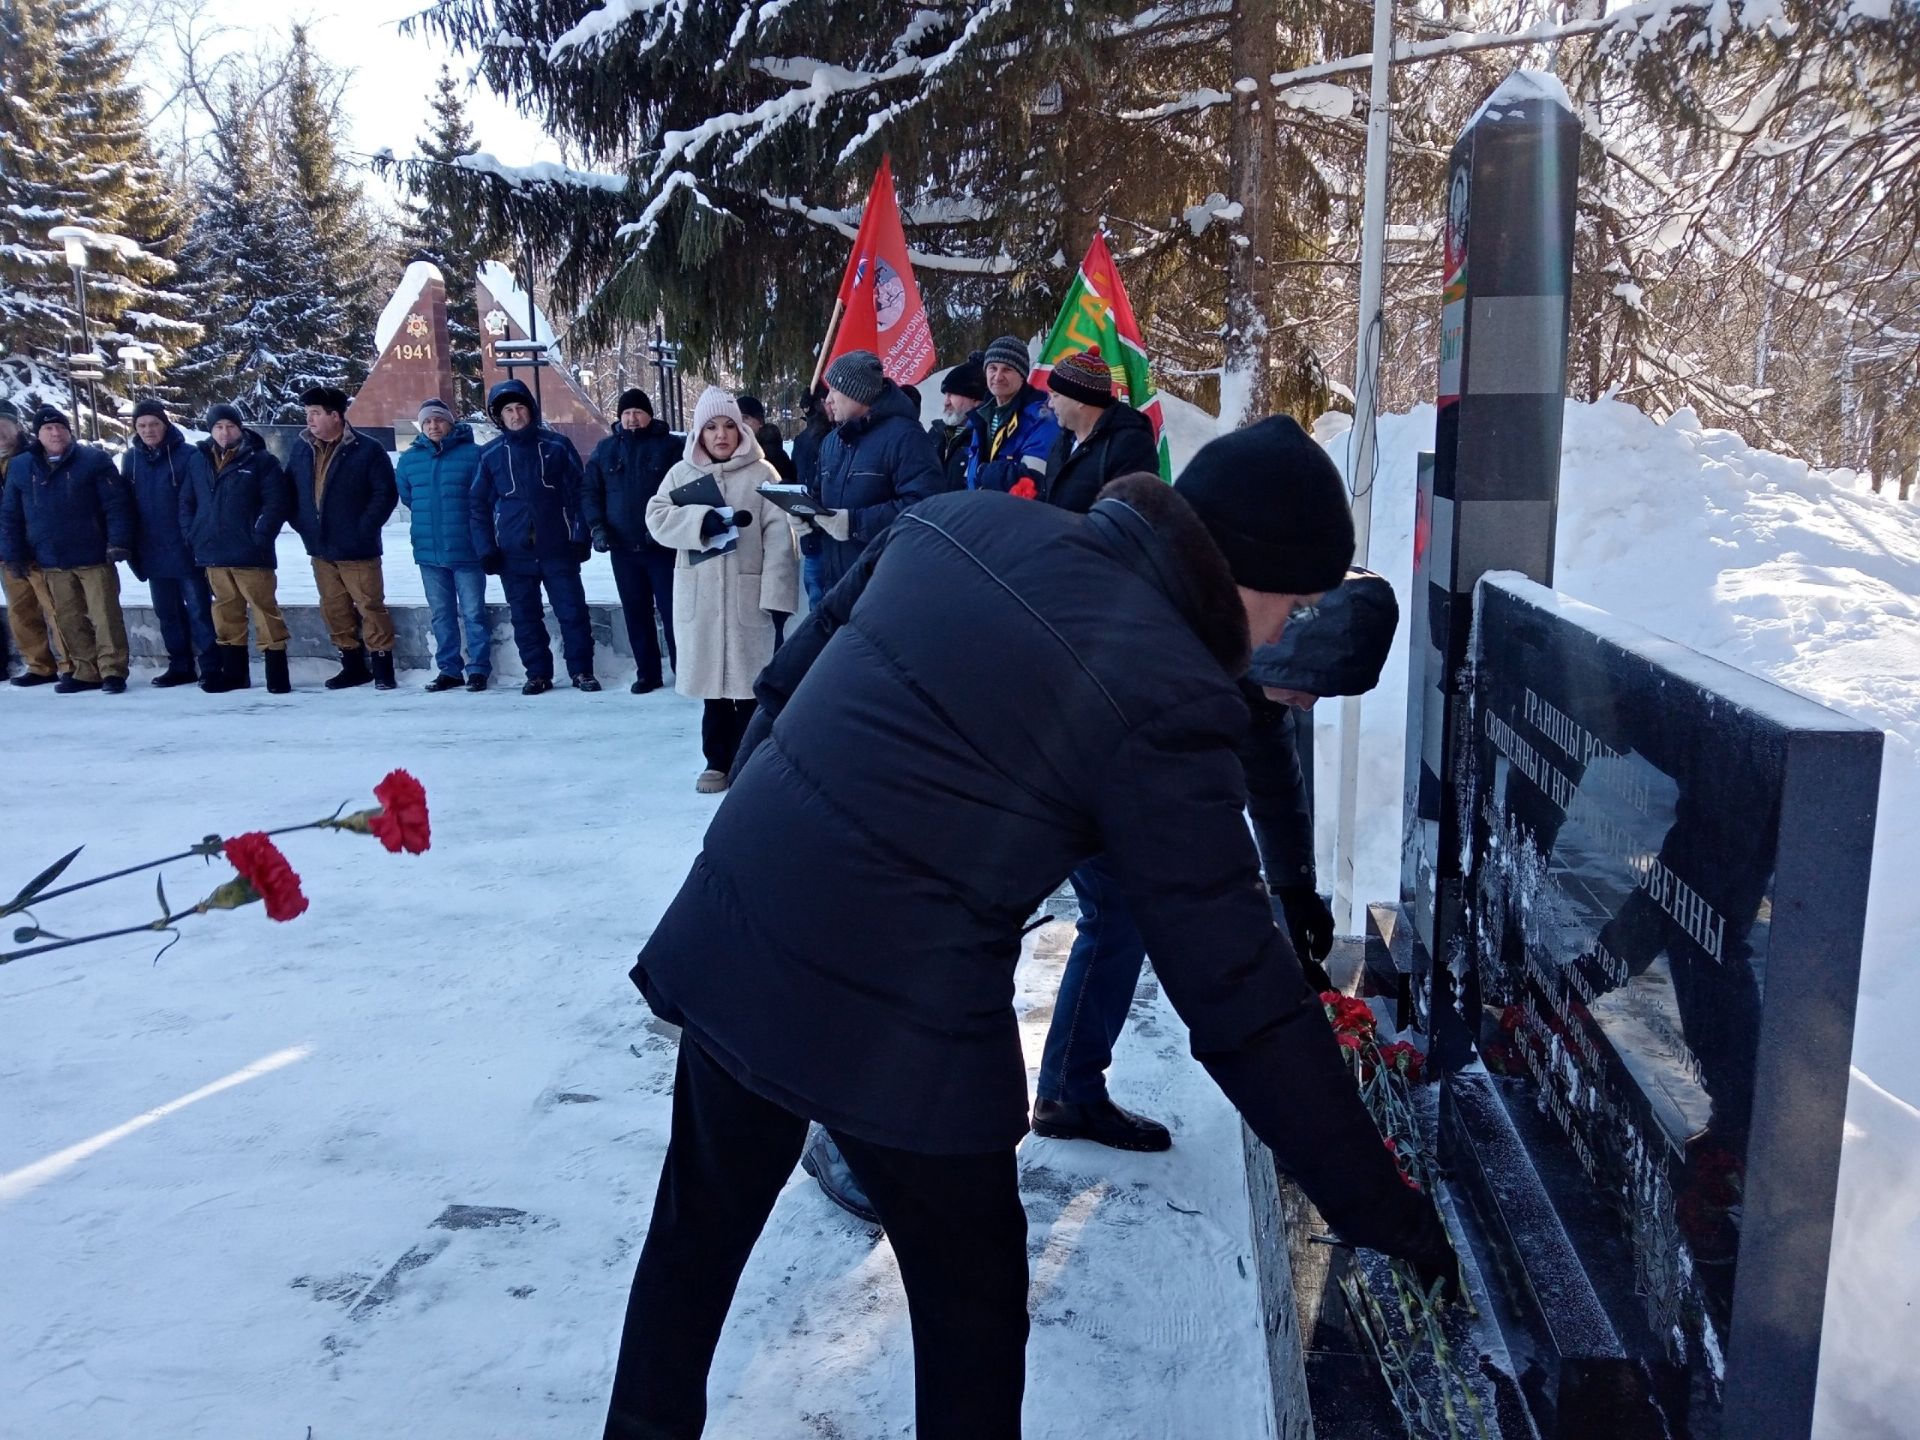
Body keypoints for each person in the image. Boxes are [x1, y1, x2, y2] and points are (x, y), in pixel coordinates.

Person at [602, 418, 1454, 1439]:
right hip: (899, 1012)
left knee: (693, 1241)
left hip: (738, 925)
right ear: (1243, 576)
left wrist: (777, 863)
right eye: (1296, 605)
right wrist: (1382, 1212)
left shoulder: (957, 524)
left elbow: (784, 692)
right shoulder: (1165, 695)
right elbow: (1240, 1002)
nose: (1287, 634)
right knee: (972, 1305)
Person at [1032, 564, 1401, 1153]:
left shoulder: (1252, 669)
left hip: (1093, 771)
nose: (1307, 705)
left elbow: (1274, 783)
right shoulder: (1184, 666)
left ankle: (1065, 1091)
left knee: (1120, 916)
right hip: (1052, 763)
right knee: (1079, 917)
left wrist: (1295, 887)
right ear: (1283, 651)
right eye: (1310, 685)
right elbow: (1197, 850)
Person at [643, 387, 797, 792]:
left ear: (743, 430)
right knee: (713, 690)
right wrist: (699, 522)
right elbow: (656, 516)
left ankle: (747, 761)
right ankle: (716, 761)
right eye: (711, 427)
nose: (721, 434)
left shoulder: (764, 474)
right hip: (703, 598)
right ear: (699, 433)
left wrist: (777, 596)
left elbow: (781, 536)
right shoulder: (681, 474)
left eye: (729, 425)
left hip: (749, 599)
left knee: (749, 690)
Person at [470, 378, 599, 695]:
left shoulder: (556, 446)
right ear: (500, 418)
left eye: (520, 407)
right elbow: (477, 505)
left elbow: (579, 493)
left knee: (572, 613)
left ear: (531, 409)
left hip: (558, 548)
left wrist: (580, 536)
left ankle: (582, 670)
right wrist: (487, 549)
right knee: (525, 617)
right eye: (508, 411)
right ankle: (537, 673)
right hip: (513, 553)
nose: (515, 415)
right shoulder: (490, 455)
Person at [0, 407, 133, 694]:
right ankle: (86, 671)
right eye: (48, 429)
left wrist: (118, 541)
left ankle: (112, 670)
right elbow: (11, 514)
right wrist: (13, 554)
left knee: (104, 615)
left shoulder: (93, 460)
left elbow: (115, 504)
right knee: (68, 618)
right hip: (51, 557)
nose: (55, 433)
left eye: (60, 427)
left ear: (69, 431)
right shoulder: (22, 466)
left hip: (93, 554)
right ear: (38, 434)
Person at [286, 384, 399, 691]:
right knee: (333, 607)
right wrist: (302, 524)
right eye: (307, 413)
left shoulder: (367, 448)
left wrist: (365, 527)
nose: (309, 420)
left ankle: (382, 666)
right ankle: (351, 665)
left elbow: (384, 493)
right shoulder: (301, 448)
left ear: (334, 416)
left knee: (370, 606)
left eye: (315, 414)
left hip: (358, 547)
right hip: (320, 547)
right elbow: (289, 491)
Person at [807, 350, 946, 592]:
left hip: (886, 588)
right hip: (837, 586)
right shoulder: (831, 441)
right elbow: (820, 497)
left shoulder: (906, 437)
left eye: (834, 390)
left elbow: (925, 507)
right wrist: (806, 516)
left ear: (856, 394)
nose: (827, 400)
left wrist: (855, 523)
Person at [184, 404, 295, 693]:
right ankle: (234, 674)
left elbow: (276, 502)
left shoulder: (261, 461)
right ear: (210, 430)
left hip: (251, 554)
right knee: (225, 613)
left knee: (264, 611)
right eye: (218, 427)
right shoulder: (198, 460)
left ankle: (277, 676)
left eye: (230, 426)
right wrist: (193, 533)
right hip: (213, 552)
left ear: (240, 428)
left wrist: (260, 534)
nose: (224, 432)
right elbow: (187, 501)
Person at [584, 388, 680, 694]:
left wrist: (668, 527)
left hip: (663, 548)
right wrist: (597, 527)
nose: (632, 419)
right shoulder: (605, 450)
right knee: (636, 614)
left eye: (637, 412)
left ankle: (686, 671)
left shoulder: (671, 447)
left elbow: (685, 491)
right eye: (626, 414)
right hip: (623, 549)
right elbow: (590, 492)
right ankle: (648, 673)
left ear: (649, 415)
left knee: (674, 612)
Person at [121, 399, 218, 688]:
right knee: (167, 613)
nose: (149, 430)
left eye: (154, 424)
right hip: (151, 548)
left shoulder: (189, 455)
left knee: (200, 610)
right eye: (142, 425)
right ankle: (180, 665)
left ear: (165, 425)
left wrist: (197, 539)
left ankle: (212, 665)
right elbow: (126, 501)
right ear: (135, 428)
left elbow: (200, 500)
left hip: (186, 547)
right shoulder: (131, 458)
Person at [395, 398, 490, 692]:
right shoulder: (410, 460)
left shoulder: (474, 455)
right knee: (441, 614)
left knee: (474, 612)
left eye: (439, 420)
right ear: (421, 426)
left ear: (450, 423)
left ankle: (478, 669)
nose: (434, 426)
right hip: (429, 551)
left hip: (467, 549)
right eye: (427, 422)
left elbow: (485, 497)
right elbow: (408, 498)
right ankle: (449, 669)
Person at [0, 398, 69, 687]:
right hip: (6, 551)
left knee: (56, 609)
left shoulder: (32, 456)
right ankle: (39, 665)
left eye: (5, 426)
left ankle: (70, 664)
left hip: (39, 549)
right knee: (20, 611)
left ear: (17, 426)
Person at [1038, 348, 1161, 511]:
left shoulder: (1131, 447)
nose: (1050, 404)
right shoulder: (1063, 440)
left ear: (1079, 399)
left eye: (1056, 396)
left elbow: (1130, 518)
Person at [965, 332, 1059, 493]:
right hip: (981, 510)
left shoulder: (1042, 417)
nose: (998, 376)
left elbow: (1032, 480)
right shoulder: (981, 417)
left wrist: (985, 473)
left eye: (1007, 369)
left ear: (1022, 376)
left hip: (1018, 513)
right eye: (992, 368)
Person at [790, 385, 833, 607]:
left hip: (838, 537)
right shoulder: (802, 441)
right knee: (816, 603)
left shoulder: (842, 434)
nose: (832, 404)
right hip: (812, 537)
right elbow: (798, 479)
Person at [930, 353, 987, 491]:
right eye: (945, 395)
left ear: (975, 400)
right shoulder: (935, 433)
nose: (946, 402)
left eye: (952, 395)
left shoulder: (985, 439)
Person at [735, 395, 796, 483]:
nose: (740, 423)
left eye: (745, 418)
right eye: (737, 418)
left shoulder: (773, 456)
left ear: (760, 422)